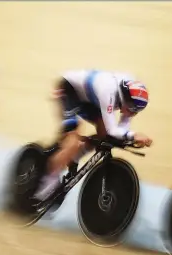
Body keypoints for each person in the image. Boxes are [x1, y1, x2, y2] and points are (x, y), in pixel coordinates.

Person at [33, 69, 153, 201]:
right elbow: (113, 130)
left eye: (136, 111)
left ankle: (74, 157)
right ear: (124, 97)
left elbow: (122, 126)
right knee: (72, 142)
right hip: (69, 90)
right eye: (131, 108)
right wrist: (133, 135)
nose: (132, 113)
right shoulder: (109, 91)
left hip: (90, 99)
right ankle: (46, 183)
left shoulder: (130, 96)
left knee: (104, 136)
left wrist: (129, 135)